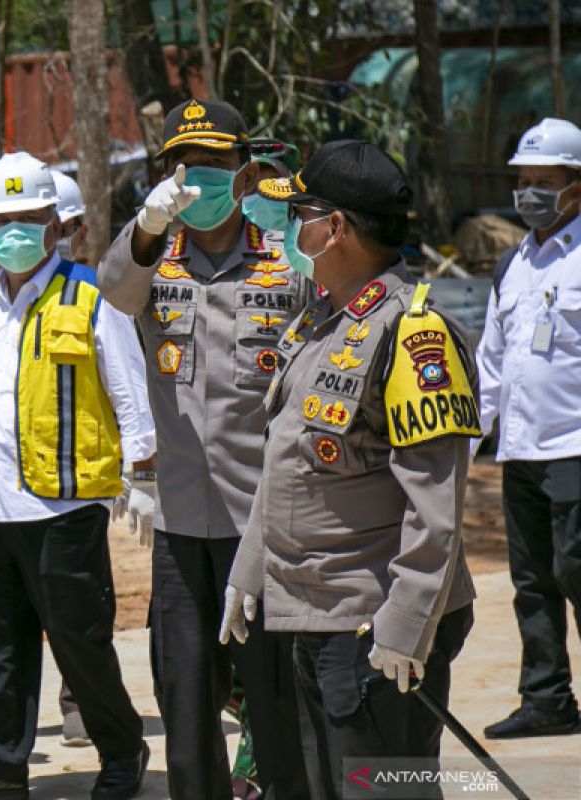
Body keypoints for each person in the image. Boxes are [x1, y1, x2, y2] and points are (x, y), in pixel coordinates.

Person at [222, 139, 478, 798]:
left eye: (300, 210)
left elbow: (436, 506)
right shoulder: (319, 321)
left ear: (335, 228)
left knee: (385, 791)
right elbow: (286, 460)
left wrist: (406, 625)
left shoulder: (413, 333)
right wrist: (250, 569)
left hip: (374, 626)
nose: (287, 226)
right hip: (313, 613)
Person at [96, 99, 311, 799]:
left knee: (278, 710)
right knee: (186, 714)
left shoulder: (285, 260)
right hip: (184, 526)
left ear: (244, 173)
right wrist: (147, 224)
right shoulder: (154, 259)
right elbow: (113, 289)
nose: (196, 178)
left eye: (214, 164)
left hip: (265, 525)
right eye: (182, 165)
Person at [0, 152, 155, 800]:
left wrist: (142, 473)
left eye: (25, 219)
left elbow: (127, 386)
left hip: (60, 508)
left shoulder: (93, 293)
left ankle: (122, 753)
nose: (11, 232)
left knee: (81, 647)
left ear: (53, 224)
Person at [476, 116, 581, 739]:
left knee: (578, 570)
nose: (530, 193)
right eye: (523, 180)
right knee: (533, 580)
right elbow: (490, 363)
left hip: (576, 446)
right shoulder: (512, 264)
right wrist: (465, 447)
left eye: (546, 181)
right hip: (519, 452)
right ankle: (547, 700)